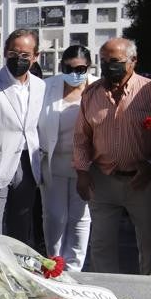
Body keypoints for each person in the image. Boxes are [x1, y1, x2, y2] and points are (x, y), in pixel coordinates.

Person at [74, 38, 151, 275]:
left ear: (133, 61)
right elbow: (81, 137)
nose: (110, 66)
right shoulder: (91, 93)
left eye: (116, 61)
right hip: (104, 178)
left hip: (145, 180)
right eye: (105, 61)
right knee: (101, 244)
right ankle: (107, 297)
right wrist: (81, 172)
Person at [0, 29, 45, 245]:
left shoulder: (41, 86)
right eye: (14, 53)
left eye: (25, 55)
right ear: (5, 52)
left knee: (21, 226)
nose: (19, 59)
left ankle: (16, 269)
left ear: (35, 56)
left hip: (28, 163)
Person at [36, 45, 95, 271]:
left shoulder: (97, 87)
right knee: (54, 216)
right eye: (68, 68)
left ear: (88, 67)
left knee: (80, 218)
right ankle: (54, 263)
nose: (74, 73)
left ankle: (75, 268)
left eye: (80, 68)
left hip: (85, 166)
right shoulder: (47, 87)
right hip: (53, 162)